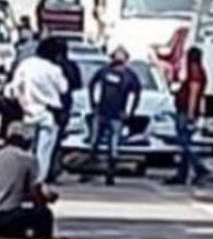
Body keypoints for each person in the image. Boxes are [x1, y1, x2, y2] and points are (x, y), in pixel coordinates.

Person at [8, 36, 68, 182]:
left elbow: (14, 88)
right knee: (44, 152)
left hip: (29, 112)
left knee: (27, 149)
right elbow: (64, 89)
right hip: (49, 113)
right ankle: (38, 182)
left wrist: (22, 103)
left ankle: (24, 178)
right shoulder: (54, 70)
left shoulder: (26, 65)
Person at [81, 47, 141, 186]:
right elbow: (92, 86)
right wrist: (93, 104)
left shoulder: (129, 76)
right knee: (94, 143)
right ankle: (89, 172)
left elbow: (136, 94)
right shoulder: (104, 71)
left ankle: (110, 174)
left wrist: (130, 111)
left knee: (112, 146)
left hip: (116, 115)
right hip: (102, 112)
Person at [167, 46, 209, 186]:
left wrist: (191, 113)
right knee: (184, 143)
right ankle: (182, 174)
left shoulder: (194, 71)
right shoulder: (200, 70)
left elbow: (194, 92)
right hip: (188, 110)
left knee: (184, 142)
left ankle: (199, 168)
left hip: (186, 111)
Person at [49, 38, 82, 182]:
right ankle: (53, 169)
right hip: (64, 107)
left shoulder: (50, 66)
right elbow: (77, 85)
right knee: (56, 140)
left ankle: (47, 170)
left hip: (50, 105)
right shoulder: (71, 66)